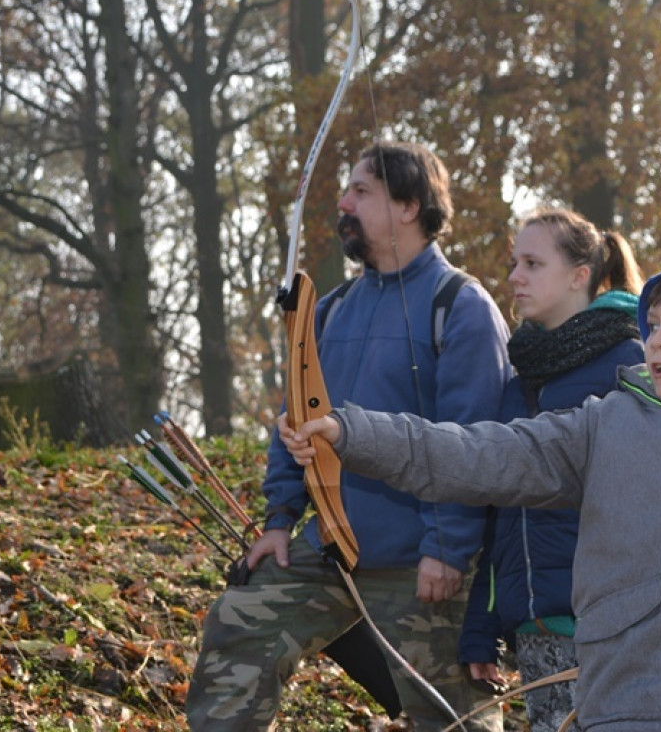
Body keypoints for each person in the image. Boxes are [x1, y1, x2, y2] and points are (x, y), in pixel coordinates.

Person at [282, 260, 661, 732]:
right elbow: (473, 454)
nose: (655, 341)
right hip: (628, 709)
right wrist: (350, 433)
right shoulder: (603, 426)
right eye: (651, 325)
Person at [186, 141, 510, 731]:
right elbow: (292, 420)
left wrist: (448, 548)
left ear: (409, 206)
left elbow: (476, 444)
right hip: (332, 546)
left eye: (361, 191)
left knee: (453, 719)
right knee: (239, 625)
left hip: (425, 559)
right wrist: (280, 519)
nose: (343, 202)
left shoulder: (459, 307)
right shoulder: (330, 310)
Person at [461, 208, 644, 732]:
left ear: (579, 275)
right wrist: (482, 625)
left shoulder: (630, 365)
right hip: (534, 628)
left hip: (611, 628)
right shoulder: (518, 382)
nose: (514, 276)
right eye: (514, 262)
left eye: (533, 263)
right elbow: (498, 510)